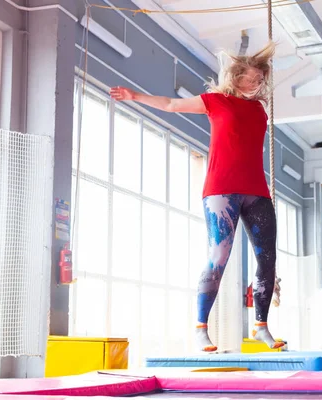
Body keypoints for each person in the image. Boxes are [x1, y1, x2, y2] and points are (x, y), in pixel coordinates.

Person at [110, 41, 284, 352]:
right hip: (221, 189)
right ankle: (201, 327)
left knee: (267, 258)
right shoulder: (215, 101)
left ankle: (261, 326)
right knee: (219, 256)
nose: (258, 83)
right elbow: (170, 105)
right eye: (253, 77)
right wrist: (134, 96)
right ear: (237, 75)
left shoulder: (259, 109)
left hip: (257, 189)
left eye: (262, 78)